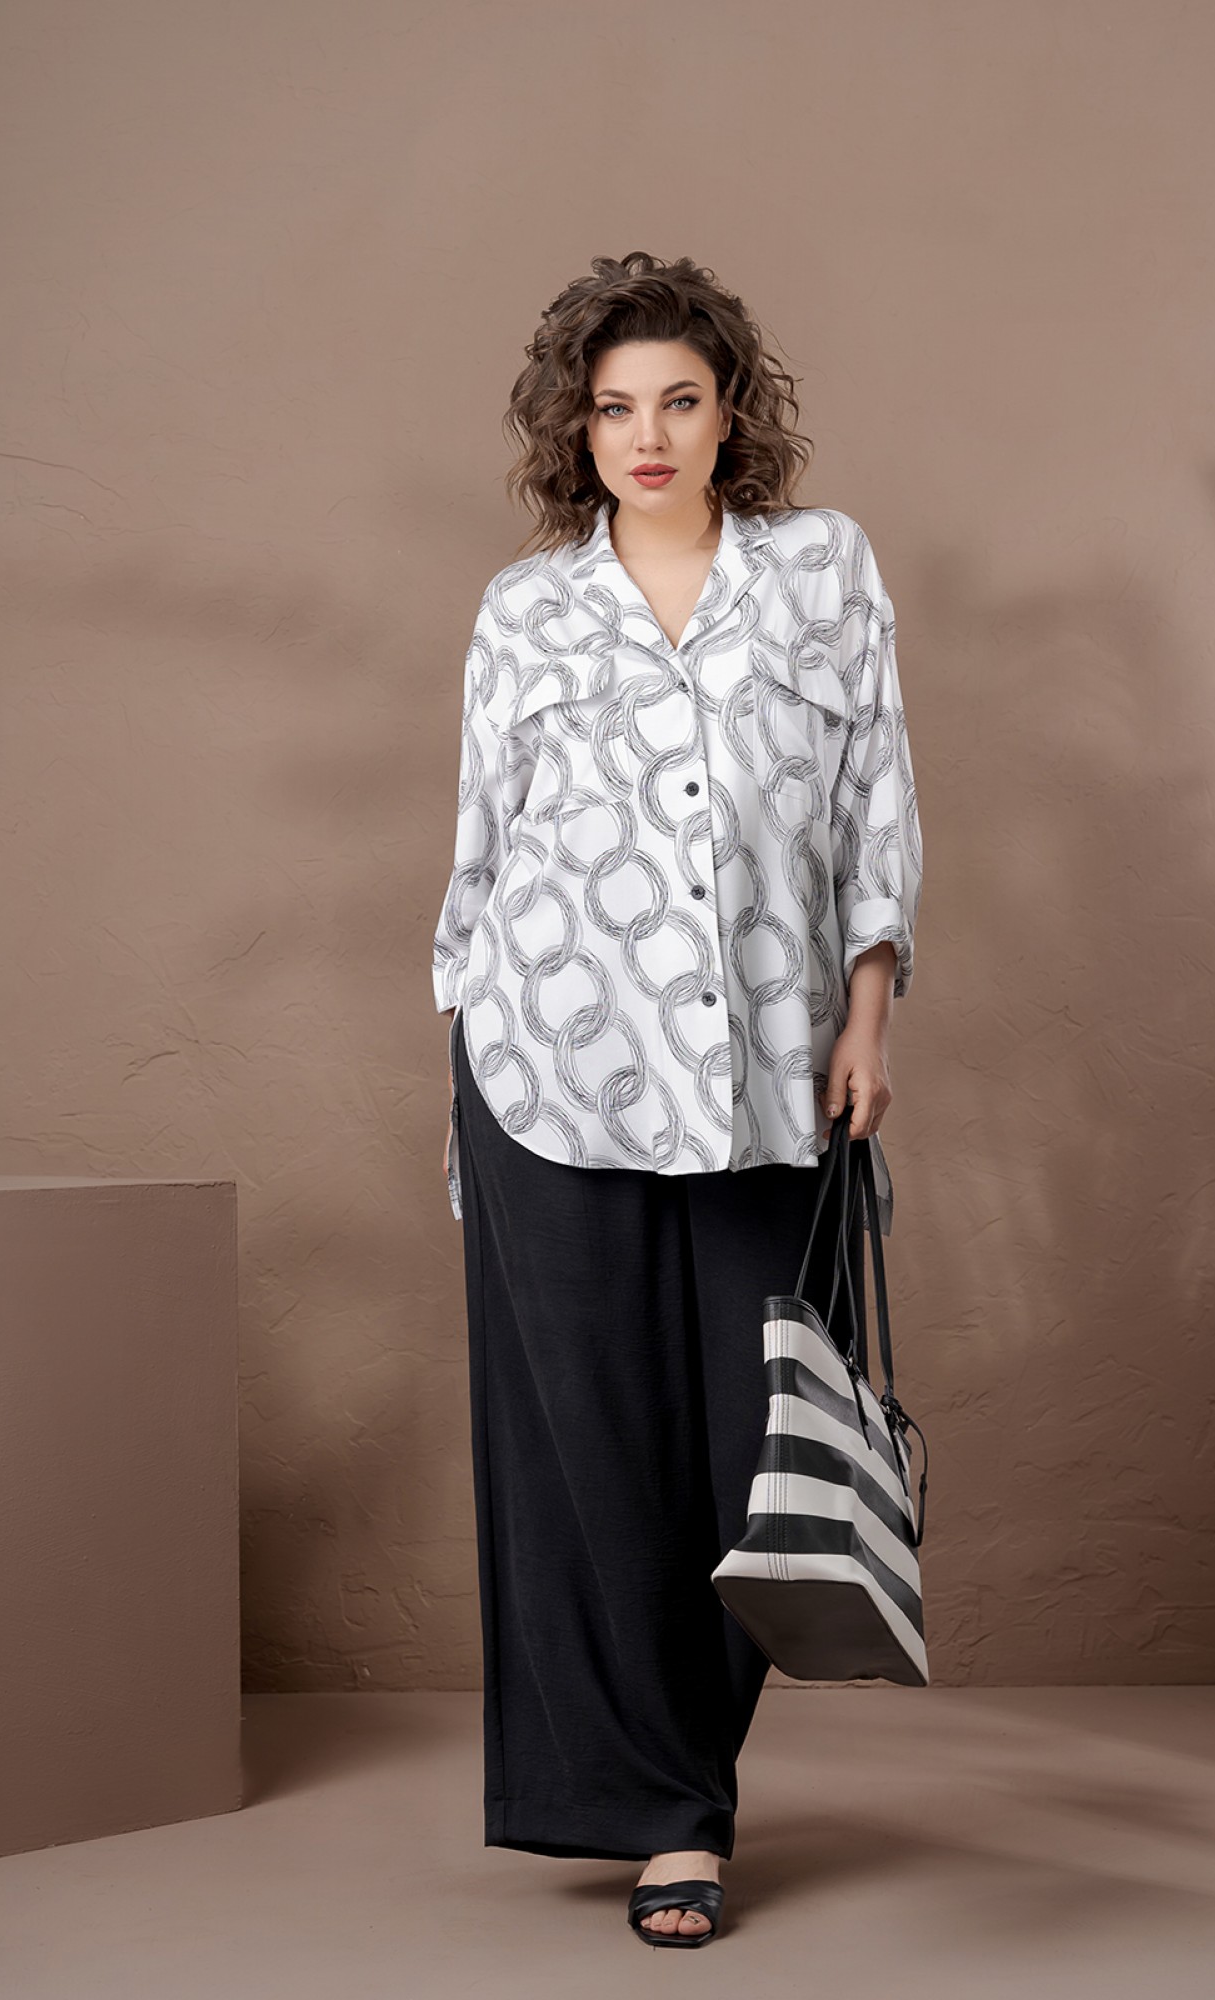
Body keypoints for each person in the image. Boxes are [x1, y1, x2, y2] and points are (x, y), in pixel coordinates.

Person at [430, 251, 922, 1947]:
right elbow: (481, 855)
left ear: (729, 416)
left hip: (768, 1075)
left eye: (679, 401)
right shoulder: (524, 609)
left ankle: (675, 1778)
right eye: (612, 408)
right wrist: (460, 1080)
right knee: (587, 1453)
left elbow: (873, 798)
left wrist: (869, 1011)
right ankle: (670, 1822)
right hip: (545, 1074)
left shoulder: (822, 571)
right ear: (575, 429)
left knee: (743, 1452)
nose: (646, 435)